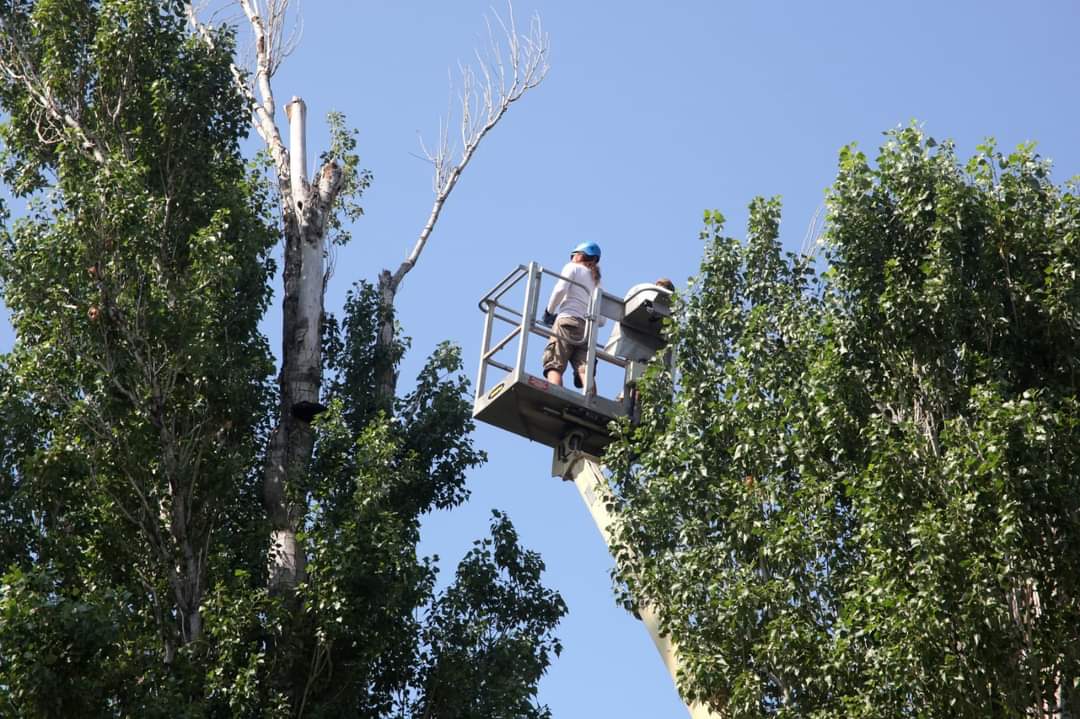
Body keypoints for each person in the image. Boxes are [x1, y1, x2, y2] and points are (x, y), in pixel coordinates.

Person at [540, 242, 605, 390]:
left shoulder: (573, 268)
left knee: (554, 364)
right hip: (587, 330)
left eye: (572, 256)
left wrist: (549, 312)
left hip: (567, 321)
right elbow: (602, 320)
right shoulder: (598, 283)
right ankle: (591, 403)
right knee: (585, 371)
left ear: (579, 255)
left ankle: (555, 395)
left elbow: (560, 289)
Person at [604, 278, 674, 361]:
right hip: (630, 338)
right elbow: (644, 305)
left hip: (643, 344)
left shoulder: (649, 292)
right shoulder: (647, 290)